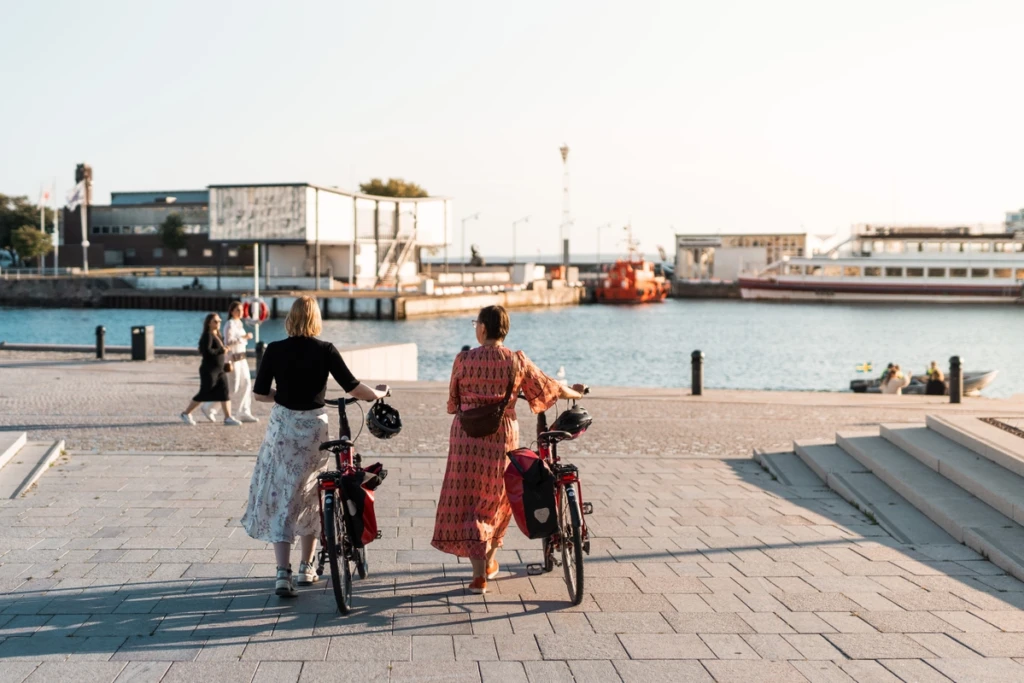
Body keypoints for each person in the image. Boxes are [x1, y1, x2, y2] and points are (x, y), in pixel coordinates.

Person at [241, 295, 389, 598]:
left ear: (290, 318)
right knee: (311, 493)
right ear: (315, 319)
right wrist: (378, 393)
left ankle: (282, 574)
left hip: (282, 428)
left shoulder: (274, 349)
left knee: (282, 492)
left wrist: (282, 397)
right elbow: (352, 386)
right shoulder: (325, 350)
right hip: (313, 429)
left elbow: (258, 394)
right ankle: (307, 568)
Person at [431, 305, 585, 595]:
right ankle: (489, 560)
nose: (475, 327)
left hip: (466, 437)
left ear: (484, 328)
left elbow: (452, 402)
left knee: (468, 499)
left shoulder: (463, 359)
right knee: (497, 498)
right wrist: (575, 392)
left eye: (477, 322)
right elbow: (548, 388)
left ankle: (480, 574)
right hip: (501, 436)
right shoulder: (516, 361)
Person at [201, 302, 258, 423]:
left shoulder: (240, 324)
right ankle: (209, 407)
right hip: (233, 360)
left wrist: (244, 337)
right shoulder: (229, 324)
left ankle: (244, 411)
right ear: (232, 311)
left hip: (243, 359)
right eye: (238, 310)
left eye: (242, 310)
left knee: (247, 384)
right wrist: (244, 337)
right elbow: (228, 341)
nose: (241, 312)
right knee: (233, 388)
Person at [180, 313, 240, 426]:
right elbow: (206, 352)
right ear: (209, 323)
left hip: (220, 370)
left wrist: (224, 350)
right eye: (215, 321)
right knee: (204, 393)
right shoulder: (207, 336)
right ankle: (186, 413)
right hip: (209, 370)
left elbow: (219, 350)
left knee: (224, 392)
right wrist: (221, 351)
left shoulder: (217, 334)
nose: (218, 323)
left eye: (219, 321)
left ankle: (228, 417)